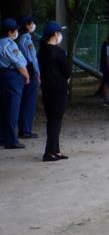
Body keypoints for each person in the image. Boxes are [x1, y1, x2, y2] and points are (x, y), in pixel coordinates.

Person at [36, 21, 70, 161]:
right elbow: (67, 71)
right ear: (56, 34)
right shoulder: (58, 52)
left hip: (47, 88)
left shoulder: (42, 50)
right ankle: (49, 152)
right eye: (59, 32)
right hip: (59, 89)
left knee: (52, 119)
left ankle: (55, 150)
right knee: (56, 120)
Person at [0, 18, 30, 149]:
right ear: (10, 32)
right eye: (15, 30)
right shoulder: (9, 44)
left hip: (3, 74)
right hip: (12, 75)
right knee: (13, 108)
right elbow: (18, 62)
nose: (17, 32)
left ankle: (2, 137)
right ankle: (12, 140)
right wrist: (26, 75)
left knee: (3, 107)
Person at [17, 15, 40, 138]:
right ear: (27, 25)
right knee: (29, 102)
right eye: (32, 23)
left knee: (26, 101)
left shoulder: (22, 39)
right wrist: (37, 74)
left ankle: (24, 128)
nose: (33, 25)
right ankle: (25, 130)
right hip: (30, 72)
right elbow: (32, 60)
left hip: (27, 72)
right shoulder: (27, 40)